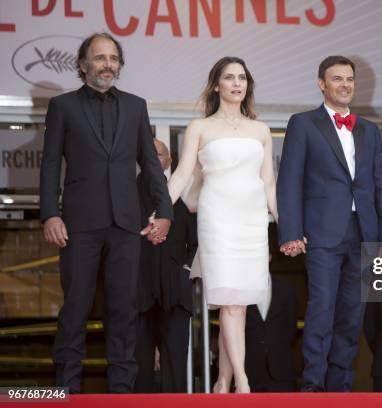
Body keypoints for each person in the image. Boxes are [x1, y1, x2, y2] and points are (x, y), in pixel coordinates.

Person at [39, 32, 172, 393]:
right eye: (100, 58)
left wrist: (165, 212)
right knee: (75, 309)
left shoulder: (135, 105)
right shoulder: (63, 106)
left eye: (113, 58)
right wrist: (51, 214)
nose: (107, 65)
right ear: (82, 65)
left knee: (124, 311)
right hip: (78, 224)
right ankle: (64, 391)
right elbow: (50, 164)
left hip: (126, 224)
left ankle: (121, 394)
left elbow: (150, 161)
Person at [276, 55, 382, 392]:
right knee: (321, 311)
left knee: (351, 315)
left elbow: (380, 185)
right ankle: (313, 387)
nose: (345, 85)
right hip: (322, 233)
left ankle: (341, 388)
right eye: (337, 79)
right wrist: (291, 231)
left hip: (363, 233)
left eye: (349, 79)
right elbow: (289, 180)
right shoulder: (303, 123)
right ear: (322, 84)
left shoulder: (370, 131)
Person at [165, 56, 277, 393]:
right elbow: (183, 174)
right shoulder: (200, 127)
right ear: (217, 84)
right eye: (229, 77)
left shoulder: (261, 129)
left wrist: (286, 225)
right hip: (218, 219)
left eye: (242, 77)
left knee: (239, 304)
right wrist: (161, 211)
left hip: (253, 220)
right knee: (230, 301)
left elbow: (269, 182)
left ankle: (222, 380)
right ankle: (242, 381)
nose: (237, 83)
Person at [134, 139, 198, 393]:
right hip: (137, 290)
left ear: (168, 161)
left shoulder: (181, 196)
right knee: (138, 368)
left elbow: (196, 243)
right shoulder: (126, 195)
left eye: (158, 154)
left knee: (175, 366)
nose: (152, 158)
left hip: (175, 292)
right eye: (147, 153)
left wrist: (184, 272)